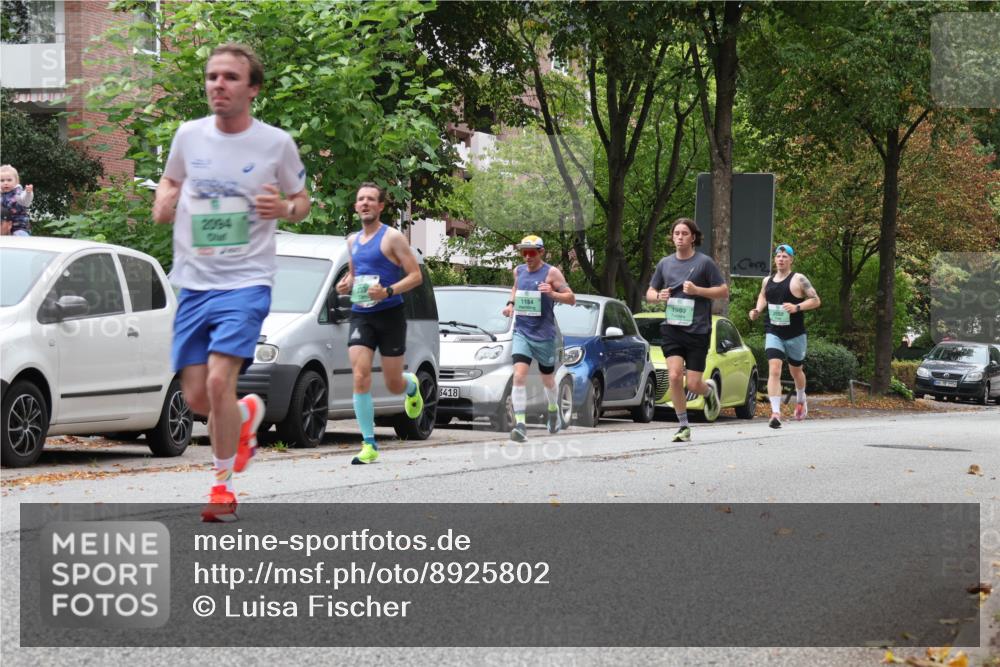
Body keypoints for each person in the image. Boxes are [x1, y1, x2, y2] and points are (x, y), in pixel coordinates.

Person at [152, 43, 311, 521]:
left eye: (230, 77)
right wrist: (164, 201)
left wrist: (283, 209)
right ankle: (242, 417)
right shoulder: (187, 135)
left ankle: (221, 487)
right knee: (198, 396)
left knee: (221, 379)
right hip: (194, 283)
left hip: (247, 281)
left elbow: (302, 200)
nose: (217, 84)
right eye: (212, 76)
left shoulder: (275, 144)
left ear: (252, 89)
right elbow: (170, 183)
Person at [335, 182, 425, 465]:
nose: (365, 203)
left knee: (393, 383)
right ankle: (369, 444)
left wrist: (387, 291)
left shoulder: (393, 237)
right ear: (356, 206)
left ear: (381, 206)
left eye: (371, 199)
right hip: (362, 314)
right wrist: (346, 285)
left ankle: (410, 386)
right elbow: (355, 273)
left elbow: (415, 276)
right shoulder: (352, 241)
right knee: (360, 375)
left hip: (390, 315)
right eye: (360, 199)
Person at [645, 218, 727, 442]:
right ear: (672, 237)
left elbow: (723, 291)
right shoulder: (665, 264)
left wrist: (698, 290)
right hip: (672, 327)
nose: (679, 237)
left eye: (684, 233)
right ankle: (683, 426)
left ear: (693, 237)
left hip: (698, 330)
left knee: (693, 383)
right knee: (673, 376)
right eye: (676, 233)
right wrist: (658, 296)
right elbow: (650, 293)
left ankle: (708, 392)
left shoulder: (704, 263)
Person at [500, 235, 576, 442]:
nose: (527, 257)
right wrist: (510, 305)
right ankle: (521, 425)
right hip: (522, 331)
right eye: (523, 252)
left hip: (544, 335)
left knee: (548, 380)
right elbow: (516, 288)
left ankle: (553, 411)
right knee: (519, 376)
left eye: (531, 252)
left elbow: (571, 298)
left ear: (541, 252)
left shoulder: (551, 273)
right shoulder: (519, 270)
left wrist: (552, 294)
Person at [749, 244, 821, 428]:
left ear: (791, 260)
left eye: (785, 256)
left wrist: (797, 307)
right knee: (774, 369)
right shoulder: (767, 281)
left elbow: (815, 300)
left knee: (796, 370)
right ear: (774, 259)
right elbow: (763, 296)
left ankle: (801, 398)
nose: (781, 259)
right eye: (778, 256)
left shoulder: (799, 279)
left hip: (795, 334)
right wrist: (757, 309)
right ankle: (775, 413)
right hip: (774, 331)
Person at [1, 165, 34, 236]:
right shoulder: (2, 194)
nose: (5, 183)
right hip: (4, 226)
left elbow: (25, 201)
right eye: (2, 180)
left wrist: (28, 193)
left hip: (20, 226)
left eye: (9, 180)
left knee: (20, 238)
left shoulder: (18, 193)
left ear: (16, 182)